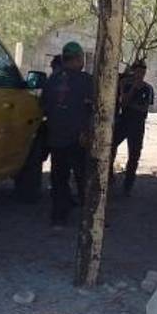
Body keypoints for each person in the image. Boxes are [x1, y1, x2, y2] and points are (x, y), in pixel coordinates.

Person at [41, 42, 95, 227]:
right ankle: (89, 216)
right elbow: (94, 108)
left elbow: (44, 106)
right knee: (83, 177)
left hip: (56, 137)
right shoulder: (86, 81)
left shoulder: (52, 80)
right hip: (79, 138)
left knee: (59, 178)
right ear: (79, 58)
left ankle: (58, 216)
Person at [13, 55, 65, 203]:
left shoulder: (51, 83)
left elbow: (42, 104)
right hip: (70, 130)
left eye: (54, 67)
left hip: (53, 127)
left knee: (39, 158)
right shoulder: (78, 81)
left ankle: (33, 192)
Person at [111, 60, 154, 195]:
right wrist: (133, 89)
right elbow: (123, 102)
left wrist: (131, 104)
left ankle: (128, 186)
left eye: (143, 72)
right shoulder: (126, 84)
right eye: (138, 71)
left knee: (134, 155)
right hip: (124, 121)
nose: (140, 74)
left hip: (138, 124)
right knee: (111, 146)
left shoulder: (147, 88)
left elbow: (144, 108)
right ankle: (109, 176)